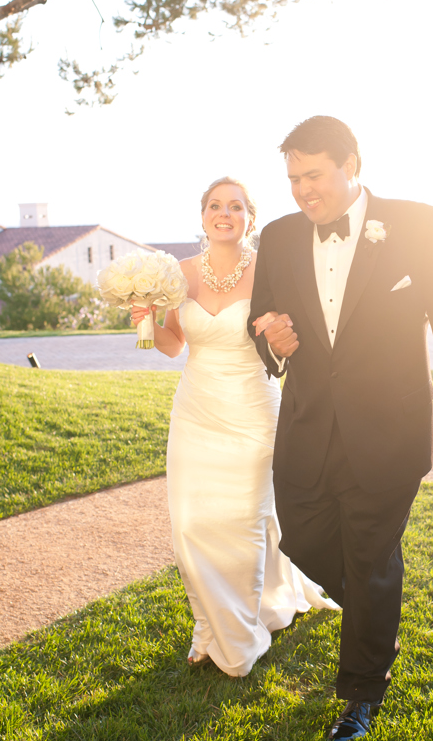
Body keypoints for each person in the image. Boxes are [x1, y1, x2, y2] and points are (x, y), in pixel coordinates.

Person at [249, 117, 433, 741]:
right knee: (302, 534)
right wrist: (271, 341)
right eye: (293, 179)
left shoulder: (415, 223)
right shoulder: (276, 238)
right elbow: (263, 324)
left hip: (390, 427)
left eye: (314, 175)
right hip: (307, 427)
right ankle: (370, 598)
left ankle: (361, 693)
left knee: (370, 551)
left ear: (351, 163)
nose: (303, 191)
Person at [131, 176, 339, 678]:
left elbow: (287, 338)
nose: (225, 214)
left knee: (245, 520)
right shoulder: (178, 274)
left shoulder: (268, 270)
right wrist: (142, 318)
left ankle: (242, 633)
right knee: (191, 523)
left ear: (250, 217)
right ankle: (208, 625)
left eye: (236, 206)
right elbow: (174, 344)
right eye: (215, 206)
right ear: (202, 215)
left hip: (252, 408)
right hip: (196, 410)